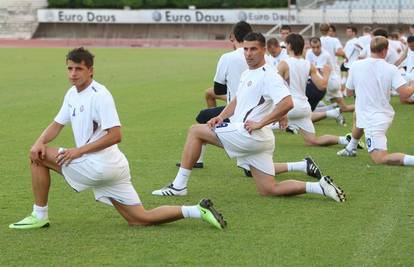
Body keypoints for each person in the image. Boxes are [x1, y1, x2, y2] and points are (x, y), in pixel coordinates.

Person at [9, 47, 226, 230]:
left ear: (90, 70)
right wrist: (39, 140)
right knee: (140, 218)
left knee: (38, 156)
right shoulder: (72, 94)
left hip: (98, 165)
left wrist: (77, 151)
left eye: (79, 69)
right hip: (114, 167)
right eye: (70, 68)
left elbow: (116, 135)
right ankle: (197, 210)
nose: (73, 73)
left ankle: (39, 215)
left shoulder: (99, 95)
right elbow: (57, 124)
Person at [153, 32, 346, 203]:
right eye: (245, 49)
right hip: (259, 139)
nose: (248, 53)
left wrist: (262, 122)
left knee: (195, 131)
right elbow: (238, 100)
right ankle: (319, 187)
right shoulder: (248, 73)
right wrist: (220, 116)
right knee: (269, 189)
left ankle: (178, 186)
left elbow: (287, 102)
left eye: (253, 49)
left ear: (264, 50)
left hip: (249, 134)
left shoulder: (269, 74)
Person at [178, 21, 252, 169]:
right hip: (259, 112)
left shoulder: (228, 57)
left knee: (203, 118)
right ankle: (197, 160)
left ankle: (196, 161)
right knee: (204, 116)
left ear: (233, 37)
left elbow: (218, 90)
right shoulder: (263, 57)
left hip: (237, 112)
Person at [337, 37, 414, 166]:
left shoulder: (356, 65)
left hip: (374, 119)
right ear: (385, 51)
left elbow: (348, 92)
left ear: (370, 48)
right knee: (358, 116)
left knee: (380, 159)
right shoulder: (390, 68)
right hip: (378, 114)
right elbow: (406, 93)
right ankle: (351, 148)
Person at [278, 33, 350, 147]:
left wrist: (280, 114)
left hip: (289, 107)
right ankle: (345, 140)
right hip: (304, 107)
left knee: (261, 121)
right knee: (313, 141)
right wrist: (327, 74)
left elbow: (275, 87)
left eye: (286, 44)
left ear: (290, 46)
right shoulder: (309, 64)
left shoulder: (284, 64)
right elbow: (322, 86)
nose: (285, 47)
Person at [305, 37, 351, 123]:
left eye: (318, 47)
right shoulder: (309, 52)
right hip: (323, 81)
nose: (315, 50)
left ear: (321, 46)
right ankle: (333, 109)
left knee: (344, 107)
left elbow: (317, 71)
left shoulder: (325, 54)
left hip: (330, 82)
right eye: (313, 47)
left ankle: (362, 108)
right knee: (343, 107)